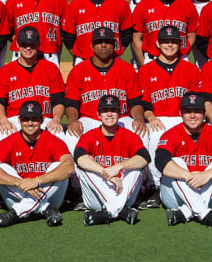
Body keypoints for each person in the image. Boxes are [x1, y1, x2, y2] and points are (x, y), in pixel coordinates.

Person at [136, 26, 202, 198]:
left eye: (174, 41)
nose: (170, 45)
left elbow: (196, 102)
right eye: (166, 41)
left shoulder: (191, 70)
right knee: (153, 136)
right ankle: (154, 185)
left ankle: (188, 179)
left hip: (184, 118)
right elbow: (144, 102)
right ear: (157, 43)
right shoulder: (145, 70)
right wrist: (150, 117)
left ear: (180, 44)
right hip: (158, 118)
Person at [0, 100, 73, 228]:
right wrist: (20, 183)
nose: (30, 123)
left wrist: (37, 181)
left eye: (34, 119)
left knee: (58, 167)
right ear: (19, 120)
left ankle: (16, 212)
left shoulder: (53, 140)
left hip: (50, 195)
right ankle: (45, 208)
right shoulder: (9, 141)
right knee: (1, 167)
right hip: (19, 194)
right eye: (26, 119)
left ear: (42, 120)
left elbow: (69, 167)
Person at [155, 92, 212, 229]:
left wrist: (206, 175)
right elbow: (160, 161)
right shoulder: (172, 134)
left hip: (207, 194)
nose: (192, 115)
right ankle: (205, 214)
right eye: (188, 111)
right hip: (174, 197)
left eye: (197, 111)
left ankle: (186, 213)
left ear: (204, 114)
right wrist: (189, 176)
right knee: (176, 163)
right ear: (181, 114)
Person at [74, 94, 150, 226]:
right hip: (95, 196)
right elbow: (79, 157)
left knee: (136, 167)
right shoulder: (90, 135)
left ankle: (109, 212)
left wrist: (119, 167)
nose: (109, 114)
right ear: (98, 114)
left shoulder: (129, 136)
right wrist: (106, 173)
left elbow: (145, 158)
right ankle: (120, 211)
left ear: (120, 114)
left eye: (113, 110)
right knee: (83, 165)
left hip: (123, 192)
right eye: (105, 111)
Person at [64, 28, 143, 146]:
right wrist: (73, 120)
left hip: (121, 118)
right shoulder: (78, 70)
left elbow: (135, 101)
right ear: (91, 45)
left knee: (142, 133)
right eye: (99, 42)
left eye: (107, 41)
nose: (103, 45)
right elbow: (71, 103)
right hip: (89, 119)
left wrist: (139, 118)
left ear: (114, 45)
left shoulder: (126, 69)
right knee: (72, 135)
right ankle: (74, 165)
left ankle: (142, 165)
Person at [0, 27, 67, 138]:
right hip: (15, 120)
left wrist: (56, 119)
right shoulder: (6, 70)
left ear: (38, 45)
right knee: (3, 135)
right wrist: (3, 120)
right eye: (24, 44)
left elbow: (59, 101)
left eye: (32, 44)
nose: (28, 48)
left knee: (59, 135)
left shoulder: (51, 68)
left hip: (43, 119)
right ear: (17, 45)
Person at [61, 0, 134, 66]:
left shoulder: (120, 4)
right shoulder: (75, 5)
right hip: (83, 60)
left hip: (113, 61)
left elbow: (126, 34)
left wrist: (114, 52)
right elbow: (68, 37)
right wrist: (79, 55)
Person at [131, 0, 198, 68]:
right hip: (151, 59)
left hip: (180, 60)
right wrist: (143, 64)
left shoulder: (187, 5)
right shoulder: (143, 5)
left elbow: (192, 35)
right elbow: (136, 39)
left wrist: (183, 52)